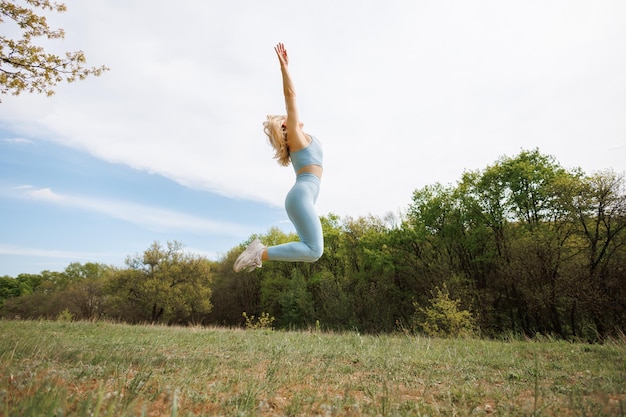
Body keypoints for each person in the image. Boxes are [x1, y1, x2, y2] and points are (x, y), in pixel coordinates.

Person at [234, 43, 324, 272]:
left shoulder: (301, 138)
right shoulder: (294, 135)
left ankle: (260, 252)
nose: (292, 116)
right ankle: (260, 253)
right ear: (286, 124)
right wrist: (284, 68)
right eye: (288, 117)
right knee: (314, 250)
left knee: (313, 250)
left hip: (303, 196)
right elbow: (291, 96)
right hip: (301, 194)